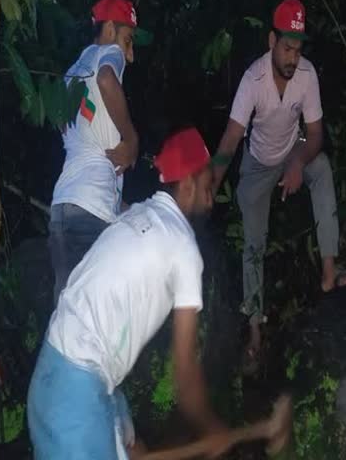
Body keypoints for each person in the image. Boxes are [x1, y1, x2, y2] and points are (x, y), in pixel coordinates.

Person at [28, 127, 231, 459]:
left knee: (135, 449)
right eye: (208, 189)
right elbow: (185, 372)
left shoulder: (136, 214)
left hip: (64, 378)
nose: (211, 201)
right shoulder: (182, 247)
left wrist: (127, 439)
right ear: (189, 185)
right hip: (75, 402)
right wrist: (213, 429)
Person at [210, 0, 346, 365]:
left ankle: (328, 271)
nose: (293, 57)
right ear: (271, 41)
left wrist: (296, 160)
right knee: (254, 245)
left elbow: (316, 134)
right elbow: (230, 138)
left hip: (294, 152)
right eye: (287, 48)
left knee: (320, 167)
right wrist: (209, 186)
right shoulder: (252, 80)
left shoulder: (306, 75)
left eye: (298, 49)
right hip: (257, 167)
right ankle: (256, 329)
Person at [48, 0, 145, 302]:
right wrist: (131, 139)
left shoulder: (72, 73)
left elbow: (63, 126)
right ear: (110, 30)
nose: (129, 55)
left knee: (66, 312)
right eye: (128, 40)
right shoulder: (108, 55)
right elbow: (106, 79)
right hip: (90, 211)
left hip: (61, 207)